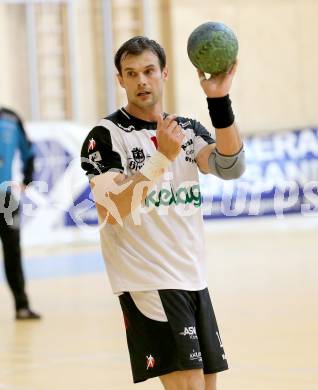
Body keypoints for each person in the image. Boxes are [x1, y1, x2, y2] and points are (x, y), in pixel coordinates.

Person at [80, 36, 245, 389]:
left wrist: (219, 100)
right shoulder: (105, 137)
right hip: (148, 282)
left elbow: (231, 167)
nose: (141, 80)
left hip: (193, 278)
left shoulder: (184, 129)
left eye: (149, 71)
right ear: (120, 80)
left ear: (164, 73)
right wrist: (161, 159)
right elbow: (111, 210)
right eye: (131, 73)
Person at [0, 107, 41, 320]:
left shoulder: (11, 118)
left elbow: (29, 152)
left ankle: (22, 306)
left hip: (6, 198)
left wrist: (27, 179)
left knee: (13, 254)